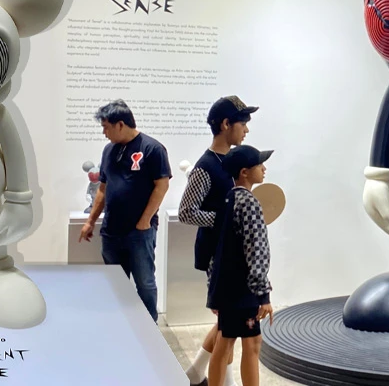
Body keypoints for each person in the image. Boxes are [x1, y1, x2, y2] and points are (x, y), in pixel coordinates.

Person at [178, 96, 257, 386]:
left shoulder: (234, 162)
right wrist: (224, 218)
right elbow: (186, 212)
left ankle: (195, 374)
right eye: (242, 123)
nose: (246, 130)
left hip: (235, 255)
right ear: (226, 124)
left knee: (227, 321)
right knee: (229, 323)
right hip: (218, 256)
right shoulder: (205, 167)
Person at [79, 99, 171, 322]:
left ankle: (148, 327)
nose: (104, 133)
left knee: (144, 283)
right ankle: (122, 324)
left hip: (139, 232)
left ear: (120, 124)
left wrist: (145, 220)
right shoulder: (109, 150)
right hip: (111, 230)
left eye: (106, 127)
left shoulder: (152, 148)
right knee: (115, 283)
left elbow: (162, 185)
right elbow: (102, 189)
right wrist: (91, 221)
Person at [206, 145, 275, 386]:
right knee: (251, 343)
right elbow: (257, 251)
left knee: (224, 341)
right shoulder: (250, 203)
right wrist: (263, 294)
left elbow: (215, 250)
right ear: (245, 172)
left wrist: (213, 291)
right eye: (259, 165)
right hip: (243, 291)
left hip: (225, 288)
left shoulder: (227, 200)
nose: (264, 169)